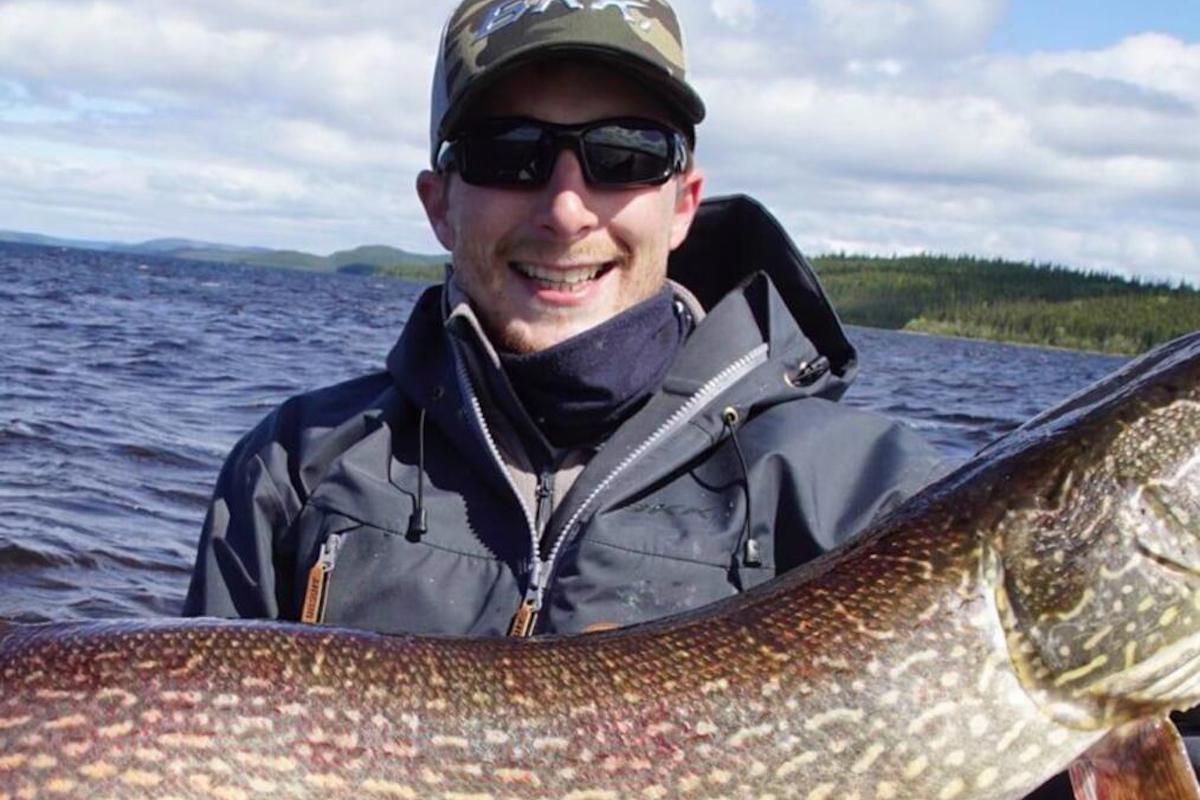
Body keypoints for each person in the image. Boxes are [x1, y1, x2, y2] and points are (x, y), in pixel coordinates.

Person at [183, 0, 944, 639]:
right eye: (510, 154)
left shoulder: (870, 503)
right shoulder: (293, 472)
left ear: (682, 202)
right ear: (439, 203)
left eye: (626, 154)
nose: (567, 210)